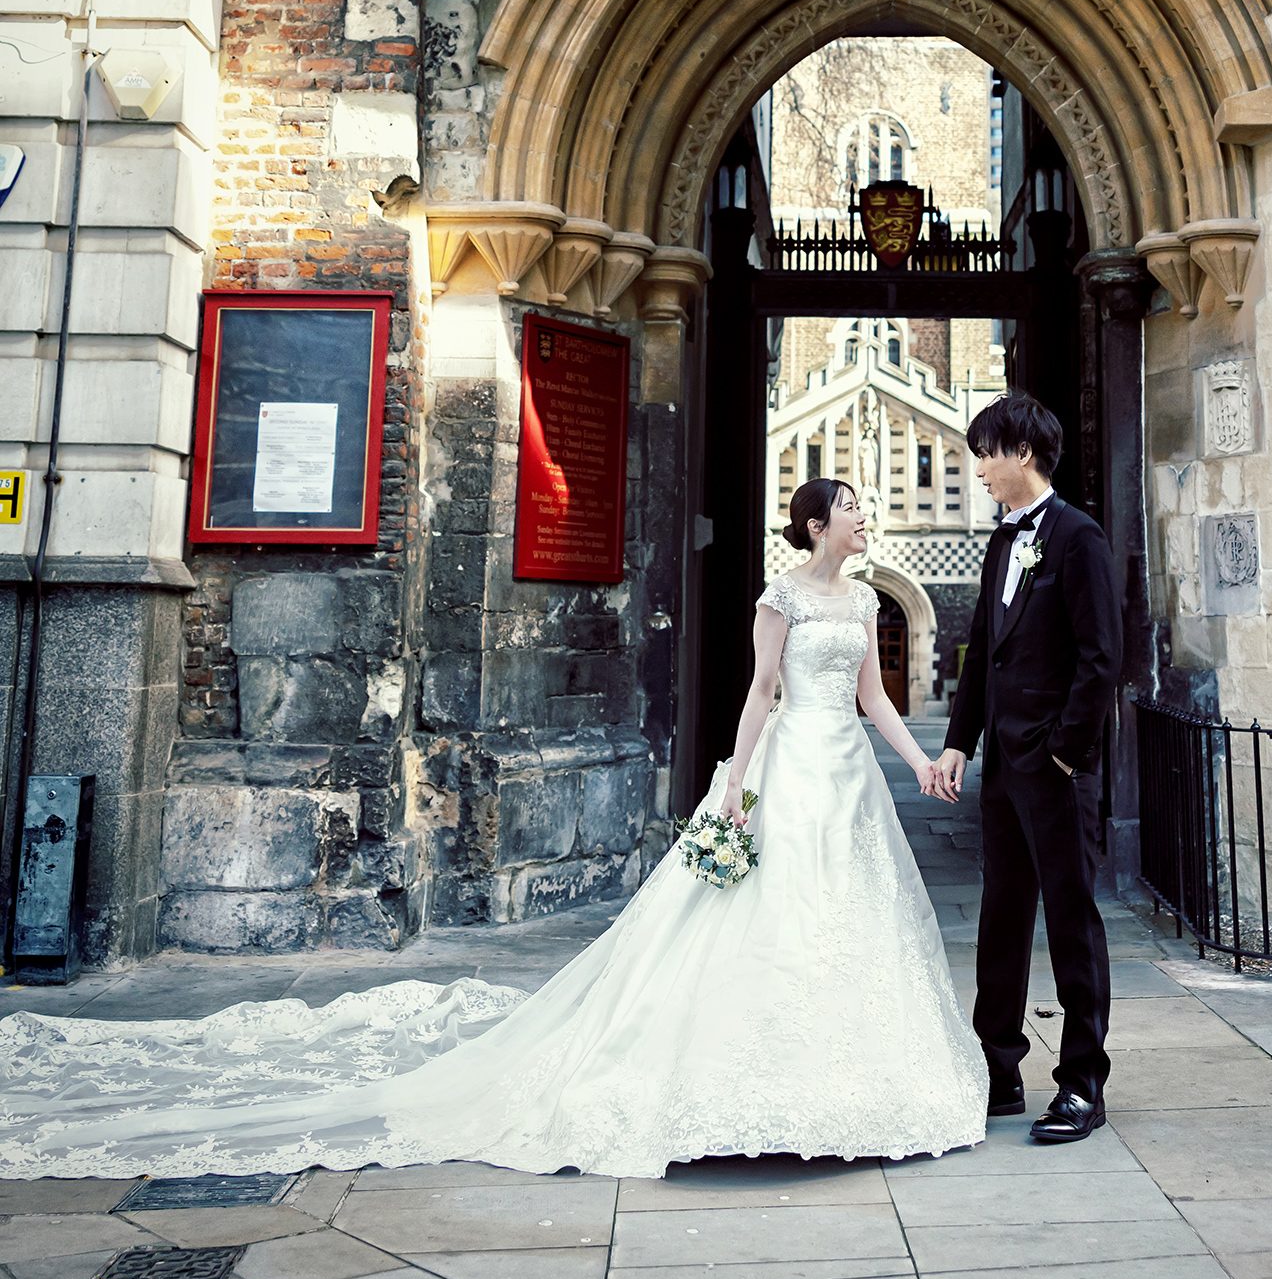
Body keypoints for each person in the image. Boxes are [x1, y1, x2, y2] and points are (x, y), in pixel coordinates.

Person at [0, 478, 986, 1181]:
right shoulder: (781, 595)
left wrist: (925, 763)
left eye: (863, 504)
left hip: (846, 772)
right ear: (816, 521)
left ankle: (840, 1083)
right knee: (766, 912)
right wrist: (732, 785)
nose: (863, 515)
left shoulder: (862, 597)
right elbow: (761, 691)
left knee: (843, 915)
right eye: (851, 503)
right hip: (785, 769)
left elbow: (876, 701)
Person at [932, 390, 1122, 1144]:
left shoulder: (1077, 538)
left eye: (985, 451)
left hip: (1053, 764)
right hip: (1004, 769)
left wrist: (1065, 751)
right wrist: (959, 740)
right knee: (1001, 915)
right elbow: (984, 650)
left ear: (1021, 453)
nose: (977, 466)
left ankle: (1080, 1083)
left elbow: (1101, 656)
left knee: (1070, 919)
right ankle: (999, 1067)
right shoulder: (1001, 541)